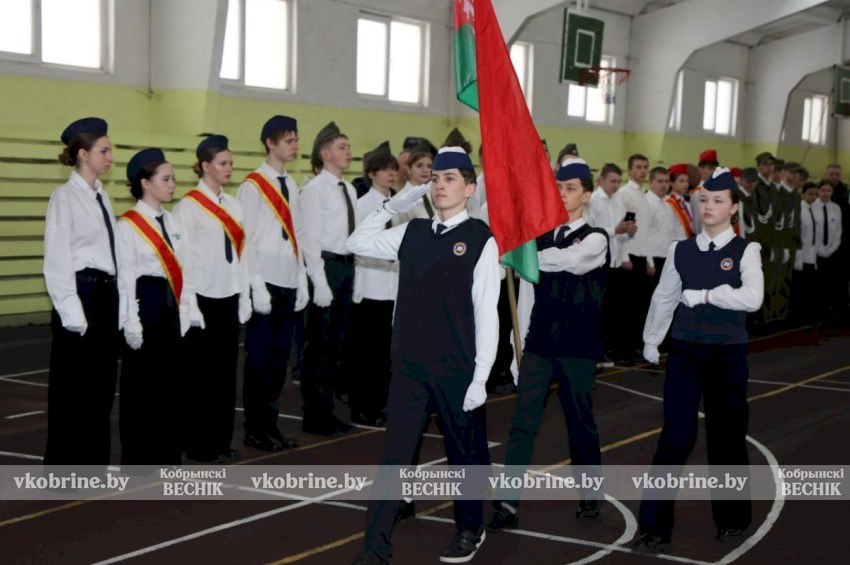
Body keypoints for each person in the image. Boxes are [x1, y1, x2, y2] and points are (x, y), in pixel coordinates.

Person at [349, 147, 500, 565]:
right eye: (434, 178)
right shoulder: (411, 232)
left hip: (456, 368)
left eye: (450, 179)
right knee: (394, 458)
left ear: (469, 189)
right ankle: (375, 548)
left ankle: (470, 527)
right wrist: (393, 205)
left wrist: (481, 377)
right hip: (409, 368)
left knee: (463, 456)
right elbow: (355, 242)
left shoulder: (481, 240)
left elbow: (487, 312)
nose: (439, 185)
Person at [635, 168, 764, 553]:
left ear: (734, 208)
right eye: (704, 199)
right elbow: (664, 296)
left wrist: (708, 295)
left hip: (727, 354)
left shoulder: (746, 251)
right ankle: (654, 527)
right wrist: (652, 339)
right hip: (686, 351)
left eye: (718, 200)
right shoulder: (681, 250)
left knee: (727, 438)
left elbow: (752, 298)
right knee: (675, 437)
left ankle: (732, 518)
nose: (708, 206)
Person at [487, 157, 608, 532]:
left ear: (586, 196)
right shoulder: (536, 240)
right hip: (539, 343)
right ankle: (507, 501)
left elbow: (567, 262)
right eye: (558, 188)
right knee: (522, 424)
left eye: (570, 189)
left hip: (578, 346)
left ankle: (590, 493)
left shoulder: (596, 238)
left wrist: (521, 255)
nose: (562, 194)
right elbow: (525, 297)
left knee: (580, 422)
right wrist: (517, 346)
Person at [117, 148, 202, 468]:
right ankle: (139, 459)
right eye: (165, 179)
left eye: (173, 179)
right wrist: (131, 321)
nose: (172, 185)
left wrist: (189, 306)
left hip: (170, 304)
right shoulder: (129, 224)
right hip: (146, 304)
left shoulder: (172, 220)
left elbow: (186, 266)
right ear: (145, 183)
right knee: (141, 387)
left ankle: (167, 455)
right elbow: (126, 277)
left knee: (171, 384)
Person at [43, 117, 119, 468]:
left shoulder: (102, 196)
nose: (110, 157)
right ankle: (65, 470)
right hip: (82, 296)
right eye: (104, 151)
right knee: (71, 389)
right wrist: (72, 313)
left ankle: (92, 466)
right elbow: (57, 257)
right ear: (83, 155)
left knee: (100, 388)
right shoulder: (65, 197)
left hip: (105, 296)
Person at [173, 134, 252, 463]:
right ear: (205, 166)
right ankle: (198, 444)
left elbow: (242, 254)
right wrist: (188, 302)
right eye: (222, 163)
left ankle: (220, 439)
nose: (229, 168)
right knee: (199, 377)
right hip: (202, 299)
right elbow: (183, 259)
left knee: (224, 374)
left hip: (228, 295)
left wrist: (244, 293)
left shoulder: (233, 204)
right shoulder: (188, 207)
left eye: (231, 163)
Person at [237, 115, 309, 452]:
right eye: (288, 141)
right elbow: (246, 239)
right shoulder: (253, 186)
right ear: (270, 142)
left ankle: (270, 424)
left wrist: (301, 279)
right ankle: (255, 429)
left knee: (280, 362)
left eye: (296, 140)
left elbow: (297, 235)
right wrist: (256, 285)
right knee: (259, 361)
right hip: (264, 282)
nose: (294, 146)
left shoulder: (291, 184)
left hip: (287, 280)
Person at [299, 121, 357, 437]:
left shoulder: (348, 189)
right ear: (325, 154)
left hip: (346, 267)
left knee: (336, 346)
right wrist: (319, 280)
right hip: (326, 267)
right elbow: (310, 238)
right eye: (341, 147)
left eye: (348, 147)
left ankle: (327, 410)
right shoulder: (315, 189)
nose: (348, 152)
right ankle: (315, 415)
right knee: (319, 346)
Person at [347, 141, 400, 426]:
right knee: (367, 352)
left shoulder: (399, 205)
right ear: (371, 174)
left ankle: (381, 403)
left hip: (393, 287)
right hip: (371, 286)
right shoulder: (363, 205)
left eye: (393, 169)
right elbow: (357, 245)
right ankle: (362, 406)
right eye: (384, 169)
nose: (391, 174)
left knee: (386, 353)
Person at [612, 153, 651, 360]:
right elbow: (624, 228)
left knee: (639, 305)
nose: (642, 171)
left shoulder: (643, 195)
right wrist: (624, 256)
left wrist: (649, 259)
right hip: (629, 256)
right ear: (629, 170)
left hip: (641, 254)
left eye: (645, 167)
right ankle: (622, 349)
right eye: (638, 167)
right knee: (625, 307)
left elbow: (644, 230)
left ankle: (635, 345)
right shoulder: (624, 194)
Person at [813, 179, 843, 325]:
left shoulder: (836, 208)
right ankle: (817, 312)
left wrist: (831, 249)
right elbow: (810, 231)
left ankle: (830, 312)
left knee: (831, 283)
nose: (826, 193)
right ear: (818, 191)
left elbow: (838, 231)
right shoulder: (812, 207)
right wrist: (819, 249)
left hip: (831, 252)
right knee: (817, 284)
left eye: (829, 191)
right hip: (815, 252)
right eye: (823, 190)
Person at [791, 182, 820, 325]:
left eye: (815, 194)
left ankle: (808, 314)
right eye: (810, 194)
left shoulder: (814, 209)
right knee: (800, 285)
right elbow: (795, 232)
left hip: (812, 253)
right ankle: (798, 316)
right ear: (803, 194)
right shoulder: (799, 209)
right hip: (801, 253)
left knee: (810, 285)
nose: (813, 197)